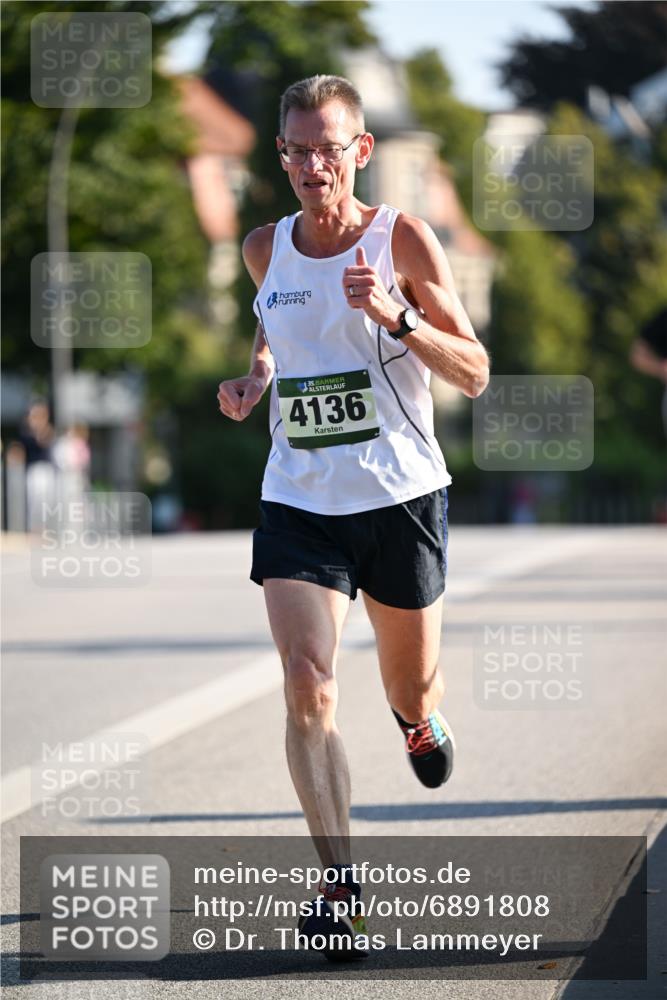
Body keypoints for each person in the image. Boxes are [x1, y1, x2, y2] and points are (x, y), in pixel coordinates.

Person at [217, 74, 489, 959]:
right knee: (308, 682)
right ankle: (341, 887)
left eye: (325, 148)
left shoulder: (402, 236)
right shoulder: (263, 248)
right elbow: (273, 329)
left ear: (359, 151)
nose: (308, 165)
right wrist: (256, 377)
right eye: (293, 150)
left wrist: (395, 314)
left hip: (400, 496)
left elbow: (474, 371)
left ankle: (417, 717)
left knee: (405, 688)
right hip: (300, 499)